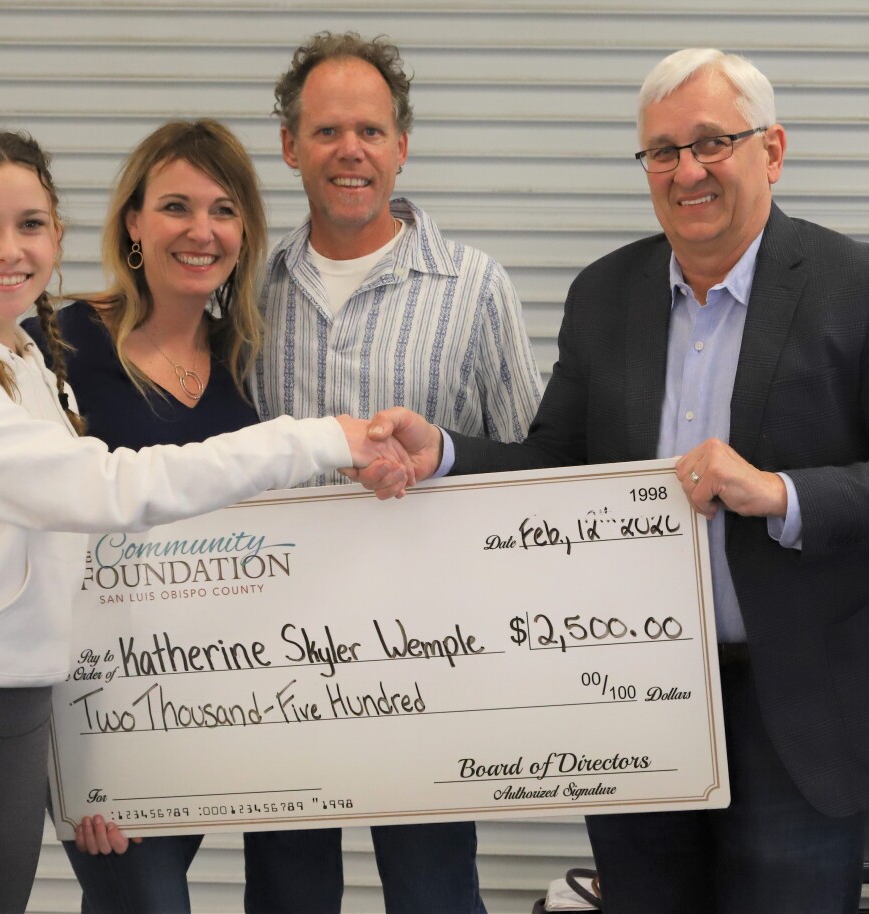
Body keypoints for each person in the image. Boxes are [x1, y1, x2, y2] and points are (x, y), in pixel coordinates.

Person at [361, 48, 869, 914]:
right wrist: (443, 452)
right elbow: (561, 466)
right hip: (636, 694)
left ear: (770, 150)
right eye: (661, 151)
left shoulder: (866, 286)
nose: (686, 170)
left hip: (800, 706)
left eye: (711, 143)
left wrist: (781, 493)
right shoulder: (605, 294)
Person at [0, 126, 410, 914]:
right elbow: (106, 492)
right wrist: (319, 437)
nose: (10, 249)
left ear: (57, 235)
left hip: (22, 728)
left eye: (30, 225)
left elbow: (80, 573)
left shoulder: (29, 367)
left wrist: (106, 760)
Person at [246, 31, 544, 914]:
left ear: (402, 146)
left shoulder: (475, 287)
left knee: (435, 892)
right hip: (277, 656)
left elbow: (532, 461)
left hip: (432, 662)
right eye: (329, 131)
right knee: (288, 894)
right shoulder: (249, 295)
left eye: (371, 131)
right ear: (292, 146)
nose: (351, 150)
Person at [24, 118, 299, 914]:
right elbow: (35, 541)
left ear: (244, 233)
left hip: (236, 709)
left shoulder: (252, 363)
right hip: (107, 717)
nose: (200, 231)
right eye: (176, 206)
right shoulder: (61, 347)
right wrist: (82, 763)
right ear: (134, 223)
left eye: (223, 210)